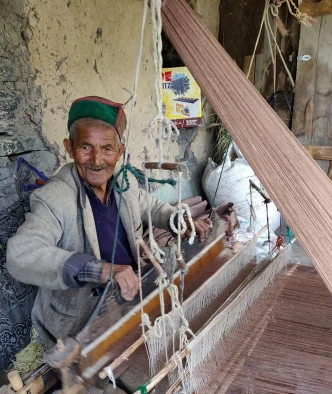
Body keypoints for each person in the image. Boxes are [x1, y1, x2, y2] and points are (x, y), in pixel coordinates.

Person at [7, 96, 211, 345]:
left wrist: (180, 219)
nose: (96, 160)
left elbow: (152, 206)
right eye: (85, 147)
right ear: (69, 148)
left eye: (107, 149)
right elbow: (20, 254)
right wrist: (102, 269)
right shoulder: (54, 198)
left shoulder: (126, 184)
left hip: (127, 300)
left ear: (120, 151)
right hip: (80, 323)